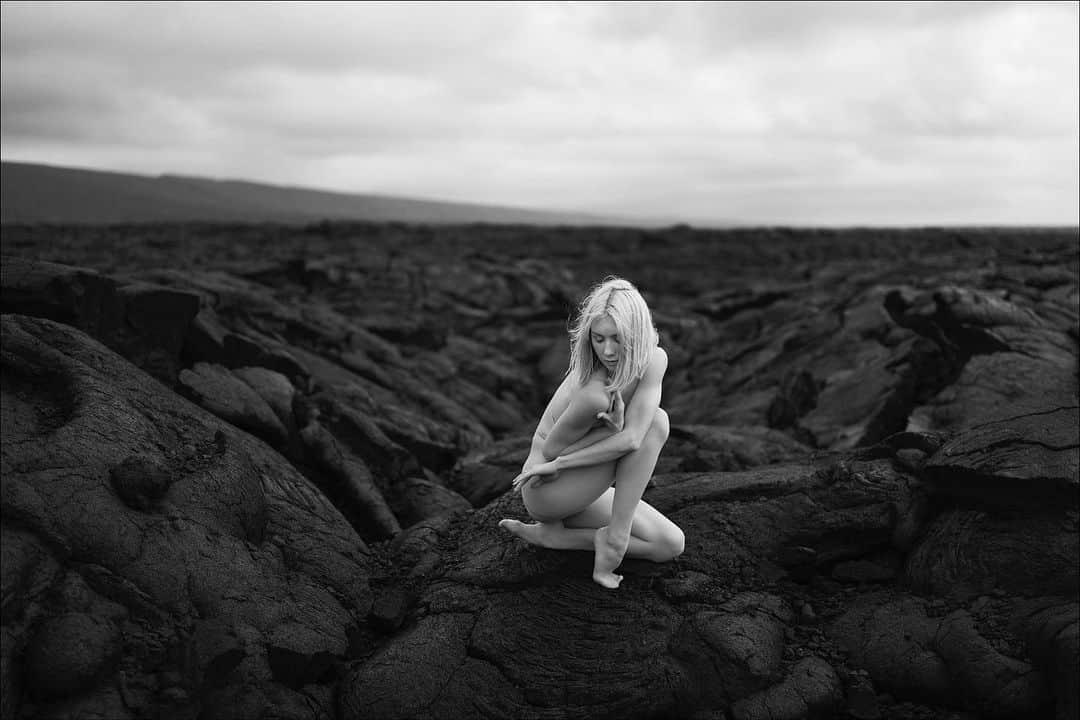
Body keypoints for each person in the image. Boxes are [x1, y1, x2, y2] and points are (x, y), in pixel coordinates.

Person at [499, 276, 685, 589]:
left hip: (581, 481)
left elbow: (633, 437)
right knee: (657, 423)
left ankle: (562, 538)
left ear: (637, 332)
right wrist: (608, 434)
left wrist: (615, 431)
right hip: (548, 488)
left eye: (617, 338)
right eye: (598, 339)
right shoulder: (594, 393)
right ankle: (616, 537)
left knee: (670, 545)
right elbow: (551, 451)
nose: (608, 350)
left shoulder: (654, 359)